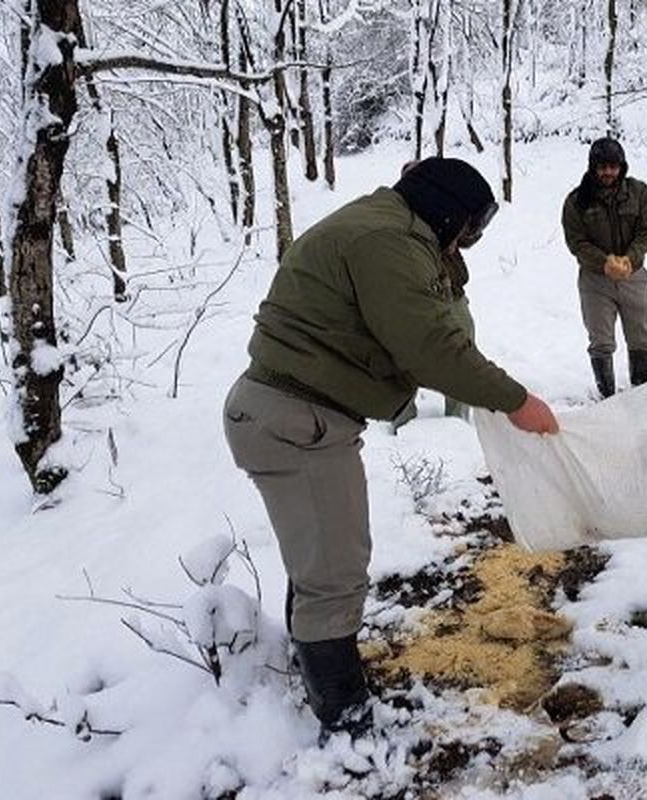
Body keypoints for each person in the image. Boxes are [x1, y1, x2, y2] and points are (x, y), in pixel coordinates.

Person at [223, 157, 558, 732]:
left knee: (321, 563)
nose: (467, 243)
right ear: (447, 214)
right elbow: (431, 346)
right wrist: (516, 400)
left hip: (297, 414)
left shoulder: (390, 228)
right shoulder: (386, 241)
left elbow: (435, 299)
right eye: (467, 230)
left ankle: (322, 687)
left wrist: (447, 254)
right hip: (297, 421)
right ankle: (344, 719)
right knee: (333, 574)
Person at [561, 136, 647, 398]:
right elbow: (576, 242)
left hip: (633, 275)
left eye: (613, 166)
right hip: (595, 280)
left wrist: (631, 258)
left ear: (622, 167)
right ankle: (607, 397)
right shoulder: (576, 201)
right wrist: (604, 262)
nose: (608, 172)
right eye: (602, 167)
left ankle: (640, 393)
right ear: (592, 167)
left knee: (640, 336)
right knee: (601, 342)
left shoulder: (640, 193)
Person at [391, 160, 478, 428]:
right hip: (412, 297)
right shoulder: (394, 214)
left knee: (463, 351)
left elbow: (468, 238)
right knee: (401, 358)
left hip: (452, 293)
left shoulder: (442, 206)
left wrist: (469, 220)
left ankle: (458, 419)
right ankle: (401, 421)